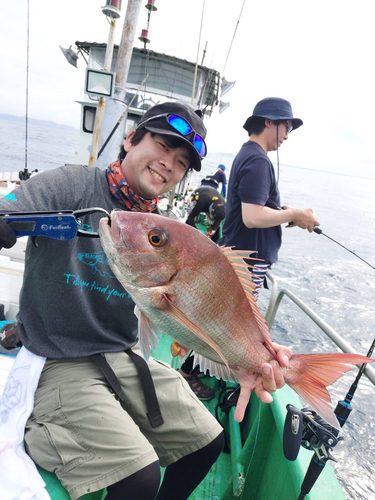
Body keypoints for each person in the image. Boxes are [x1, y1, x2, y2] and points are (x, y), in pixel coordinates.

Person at [0, 101, 292, 500]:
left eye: (182, 161)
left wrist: (243, 357)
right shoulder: (74, 185)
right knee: (139, 476)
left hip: (122, 355)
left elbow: (189, 314)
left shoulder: (163, 228)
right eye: (162, 144)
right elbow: (11, 209)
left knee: (207, 441)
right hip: (58, 358)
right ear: (131, 139)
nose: (170, 164)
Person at [222, 97, 320, 293]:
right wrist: (295, 215)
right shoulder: (258, 160)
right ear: (268, 122)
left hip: (237, 261)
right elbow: (252, 217)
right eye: (286, 127)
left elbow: (253, 204)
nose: (287, 136)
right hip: (244, 265)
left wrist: (285, 211)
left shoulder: (248, 154)